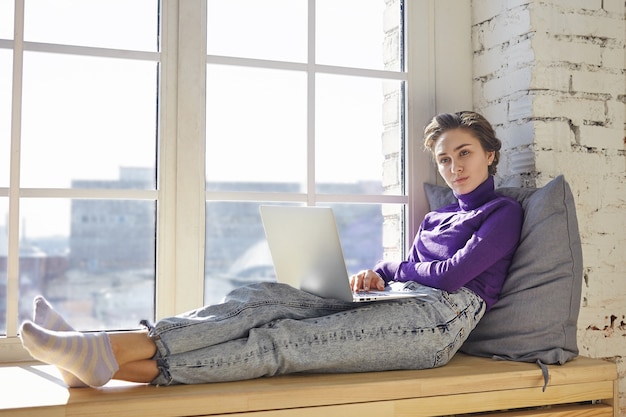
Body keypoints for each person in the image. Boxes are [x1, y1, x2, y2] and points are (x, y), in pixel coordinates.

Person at [19, 111, 524, 388]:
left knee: (285, 341)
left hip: (438, 322)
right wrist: (381, 274)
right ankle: (96, 355)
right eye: (445, 158)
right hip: (405, 299)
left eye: (464, 153)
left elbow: (455, 274)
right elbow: (419, 268)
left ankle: (97, 353)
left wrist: (393, 267)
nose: (454, 165)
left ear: (489, 155)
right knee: (263, 298)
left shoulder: (502, 213)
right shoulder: (437, 216)